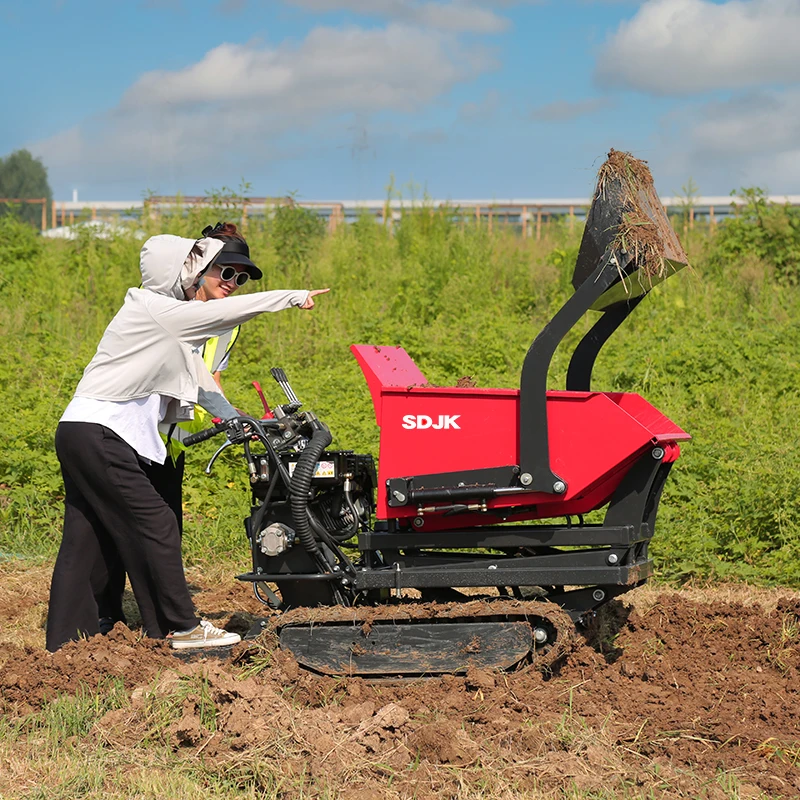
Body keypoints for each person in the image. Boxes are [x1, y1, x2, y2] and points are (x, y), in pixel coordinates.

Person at [46, 230, 328, 652]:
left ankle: (68, 642)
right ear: (176, 271)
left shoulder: (156, 316)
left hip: (77, 430)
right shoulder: (161, 311)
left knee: (85, 538)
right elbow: (229, 312)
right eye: (195, 269)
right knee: (158, 521)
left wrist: (237, 418)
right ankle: (183, 627)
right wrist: (291, 296)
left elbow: (200, 381)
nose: (201, 279)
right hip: (103, 433)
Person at [95, 222, 256, 632]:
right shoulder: (167, 303)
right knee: (131, 527)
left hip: (176, 435)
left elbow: (209, 378)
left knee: (164, 526)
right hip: (135, 429)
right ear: (197, 267)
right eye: (226, 271)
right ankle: (124, 617)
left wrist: (232, 418)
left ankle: (159, 617)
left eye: (240, 277)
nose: (233, 282)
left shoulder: (227, 321)